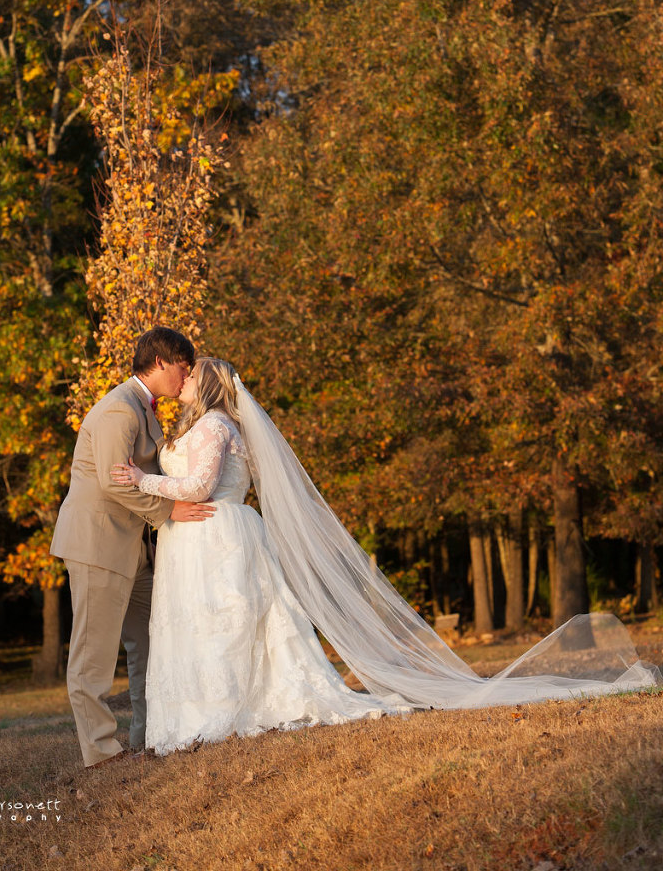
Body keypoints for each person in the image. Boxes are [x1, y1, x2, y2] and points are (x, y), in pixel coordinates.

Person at [112, 358, 661, 756]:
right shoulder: (202, 425)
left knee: (228, 623)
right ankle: (203, 713)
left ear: (207, 384)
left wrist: (142, 479)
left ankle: (225, 711)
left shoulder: (215, 424)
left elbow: (201, 485)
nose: (183, 381)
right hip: (199, 538)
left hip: (219, 533)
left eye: (191, 375)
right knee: (209, 625)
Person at [50, 327, 215, 768]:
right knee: (93, 655)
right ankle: (101, 752)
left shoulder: (144, 409)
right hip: (98, 545)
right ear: (160, 362)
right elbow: (113, 482)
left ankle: (147, 736)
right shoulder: (118, 410)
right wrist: (169, 511)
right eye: (183, 367)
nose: (186, 376)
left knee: (151, 644)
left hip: (135, 551)